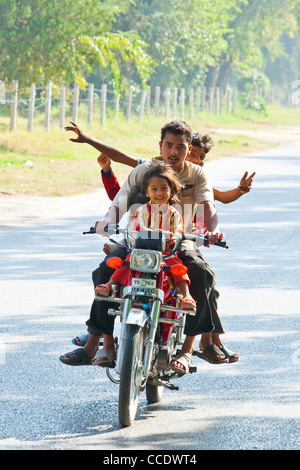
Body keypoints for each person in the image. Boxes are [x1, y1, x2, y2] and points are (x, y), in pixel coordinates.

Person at [59, 120, 225, 373]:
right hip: (139, 241)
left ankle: (188, 349)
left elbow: (207, 206)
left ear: (188, 148)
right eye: (168, 145)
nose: (173, 152)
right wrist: (106, 222)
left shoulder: (197, 174)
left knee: (200, 274)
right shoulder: (144, 169)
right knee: (105, 271)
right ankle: (97, 344)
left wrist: (211, 229)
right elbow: (120, 201)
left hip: (177, 243)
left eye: (180, 147)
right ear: (160, 145)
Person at [93, 163, 196, 361]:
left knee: (178, 268)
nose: (159, 193)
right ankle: (109, 285)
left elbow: (177, 233)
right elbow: (137, 228)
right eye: (154, 189)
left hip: (165, 252)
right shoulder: (142, 211)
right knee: (126, 263)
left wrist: (172, 236)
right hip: (143, 251)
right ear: (147, 192)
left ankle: (186, 296)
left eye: (164, 189)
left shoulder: (173, 213)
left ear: (171, 190)